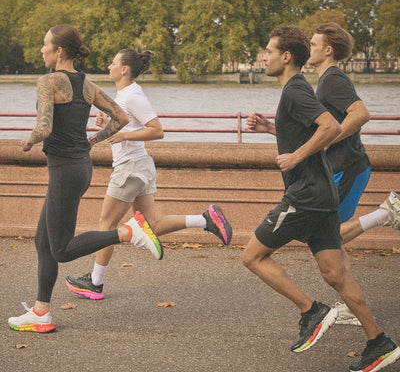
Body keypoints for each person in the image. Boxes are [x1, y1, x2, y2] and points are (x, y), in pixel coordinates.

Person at [244, 25, 400, 372]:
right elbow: (310, 128)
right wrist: (273, 130)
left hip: (307, 195)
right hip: (324, 192)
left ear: (285, 57)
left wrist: (297, 156)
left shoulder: (298, 90)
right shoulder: (298, 89)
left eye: (268, 51)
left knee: (253, 256)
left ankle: (312, 311)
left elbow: (329, 126)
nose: (263, 57)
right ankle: (379, 343)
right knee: (335, 274)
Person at [8, 25, 164, 333]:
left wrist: (27, 142)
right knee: (43, 242)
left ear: (60, 50)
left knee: (61, 249)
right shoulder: (86, 84)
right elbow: (119, 117)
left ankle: (129, 232)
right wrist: (93, 141)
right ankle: (41, 312)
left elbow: (44, 129)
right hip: (80, 166)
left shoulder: (49, 81)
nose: (42, 50)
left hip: (65, 170)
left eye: (45, 45)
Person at [65, 46, 232, 300]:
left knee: (107, 224)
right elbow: (126, 124)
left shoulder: (132, 95)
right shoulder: (125, 95)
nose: (108, 67)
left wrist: (123, 135)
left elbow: (157, 130)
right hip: (139, 165)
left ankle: (95, 283)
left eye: (112, 63)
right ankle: (205, 219)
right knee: (151, 225)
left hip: (131, 167)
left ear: (124, 69)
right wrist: (108, 127)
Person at [308, 22, 400, 325]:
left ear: (328, 50)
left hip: (348, 167)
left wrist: (330, 138)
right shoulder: (326, 80)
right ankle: (350, 302)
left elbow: (361, 114)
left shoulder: (333, 79)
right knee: (328, 237)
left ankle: (385, 214)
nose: (309, 48)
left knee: (328, 236)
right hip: (340, 167)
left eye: (313, 43)